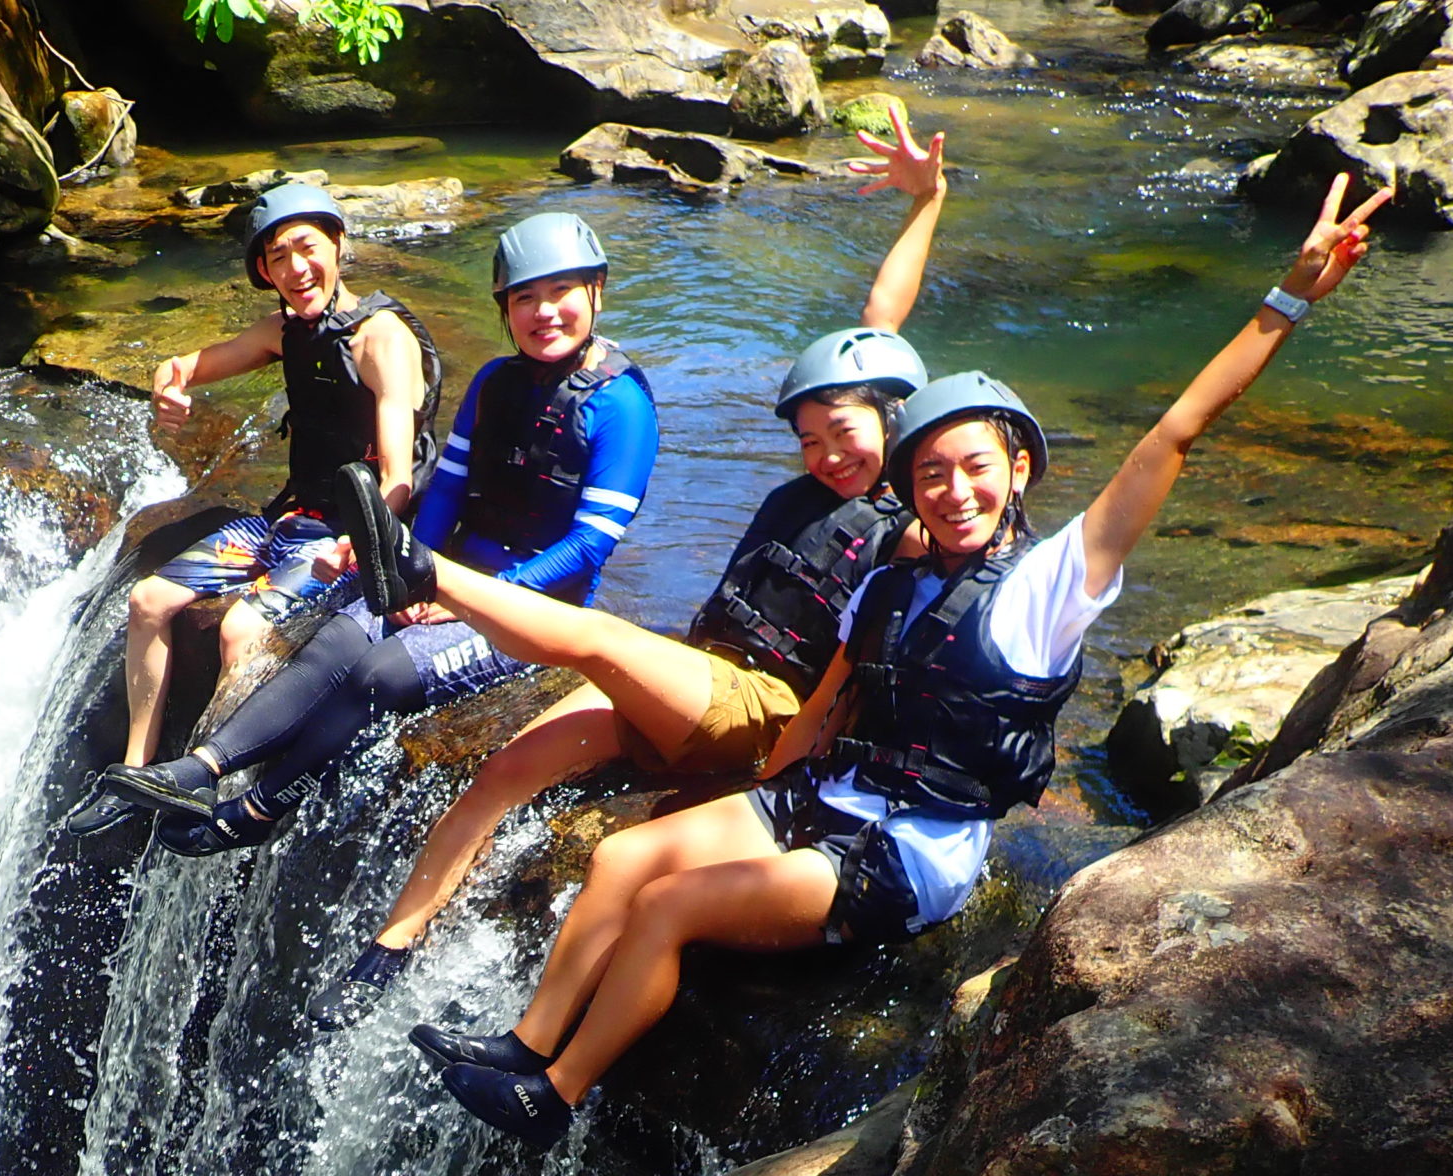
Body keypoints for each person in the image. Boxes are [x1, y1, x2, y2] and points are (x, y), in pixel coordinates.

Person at [329, 175, 1390, 1149]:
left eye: (976, 469)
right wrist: (754, 796)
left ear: (1020, 468)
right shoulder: (894, 577)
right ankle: (526, 1046)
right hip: (822, 794)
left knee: (667, 906)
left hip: (910, 851)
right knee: (622, 862)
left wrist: (1287, 301)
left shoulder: (1048, 590)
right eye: (932, 474)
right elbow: (824, 706)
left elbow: (1174, 434)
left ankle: (554, 1097)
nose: (954, 491)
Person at [316, 102, 952, 1021]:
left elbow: (873, 661)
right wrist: (926, 203)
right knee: (504, 773)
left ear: (894, 422)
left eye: (845, 432)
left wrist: (791, 783)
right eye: (810, 439)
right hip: (695, 682)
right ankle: (388, 951)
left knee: (597, 639)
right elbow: (877, 321)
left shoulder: (913, 524)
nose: (826, 454)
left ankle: (423, 574)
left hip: (758, 711)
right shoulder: (821, 483)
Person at [97, 211, 658, 855]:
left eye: (561, 292)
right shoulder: (495, 382)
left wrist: (468, 593)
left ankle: (254, 810)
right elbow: (444, 492)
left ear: (596, 290)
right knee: (339, 635)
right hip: (453, 576)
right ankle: (200, 769)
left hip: (538, 608)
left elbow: (590, 546)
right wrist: (416, 570)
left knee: (381, 672)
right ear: (505, 309)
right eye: (525, 298)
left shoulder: (622, 406)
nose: (545, 312)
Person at [64, 183, 442, 836]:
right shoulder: (283, 330)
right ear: (264, 271)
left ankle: (219, 787)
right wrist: (168, 387)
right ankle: (137, 775)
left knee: (240, 630)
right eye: (277, 257)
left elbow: (398, 477)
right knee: (148, 600)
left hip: (342, 537)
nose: (296, 269)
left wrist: (365, 547)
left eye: (307, 248)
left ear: (338, 245)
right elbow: (182, 365)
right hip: (284, 521)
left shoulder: (382, 340)